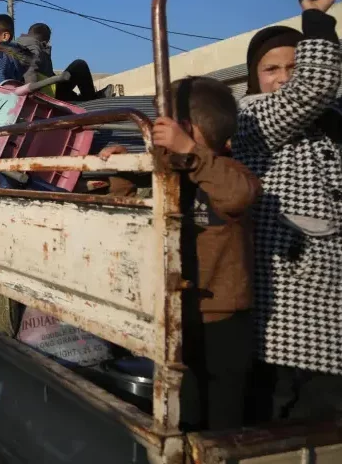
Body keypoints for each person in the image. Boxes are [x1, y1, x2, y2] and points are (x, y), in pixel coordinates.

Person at [101, 77, 260, 430]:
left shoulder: (227, 170)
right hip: (176, 313)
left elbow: (238, 195)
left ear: (187, 128)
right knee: (182, 412)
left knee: (223, 420)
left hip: (222, 321)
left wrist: (190, 151)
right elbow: (131, 214)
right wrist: (125, 170)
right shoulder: (174, 173)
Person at [232, 0, 342, 422]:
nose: (284, 78)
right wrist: (316, 17)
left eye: (293, 66)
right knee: (289, 418)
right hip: (293, 304)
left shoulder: (329, 119)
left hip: (328, 296)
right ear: (254, 78)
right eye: (271, 69)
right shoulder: (255, 116)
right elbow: (314, 88)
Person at [17, 22, 114, 100]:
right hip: (44, 92)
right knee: (79, 65)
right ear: (46, 41)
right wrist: (31, 90)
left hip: (49, 89)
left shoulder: (23, 43)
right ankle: (91, 98)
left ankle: (83, 98)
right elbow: (29, 66)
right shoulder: (31, 44)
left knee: (69, 90)